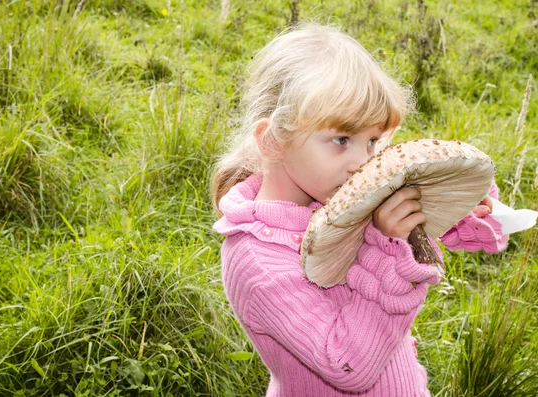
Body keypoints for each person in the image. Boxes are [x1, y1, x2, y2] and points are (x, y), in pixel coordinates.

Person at [211, 23, 508, 397]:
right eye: (341, 139)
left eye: (371, 141)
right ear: (273, 140)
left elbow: (406, 220)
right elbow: (348, 365)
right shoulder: (258, 260)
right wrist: (388, 244)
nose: (361, 162)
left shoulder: (332, 193)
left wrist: (456, 208)